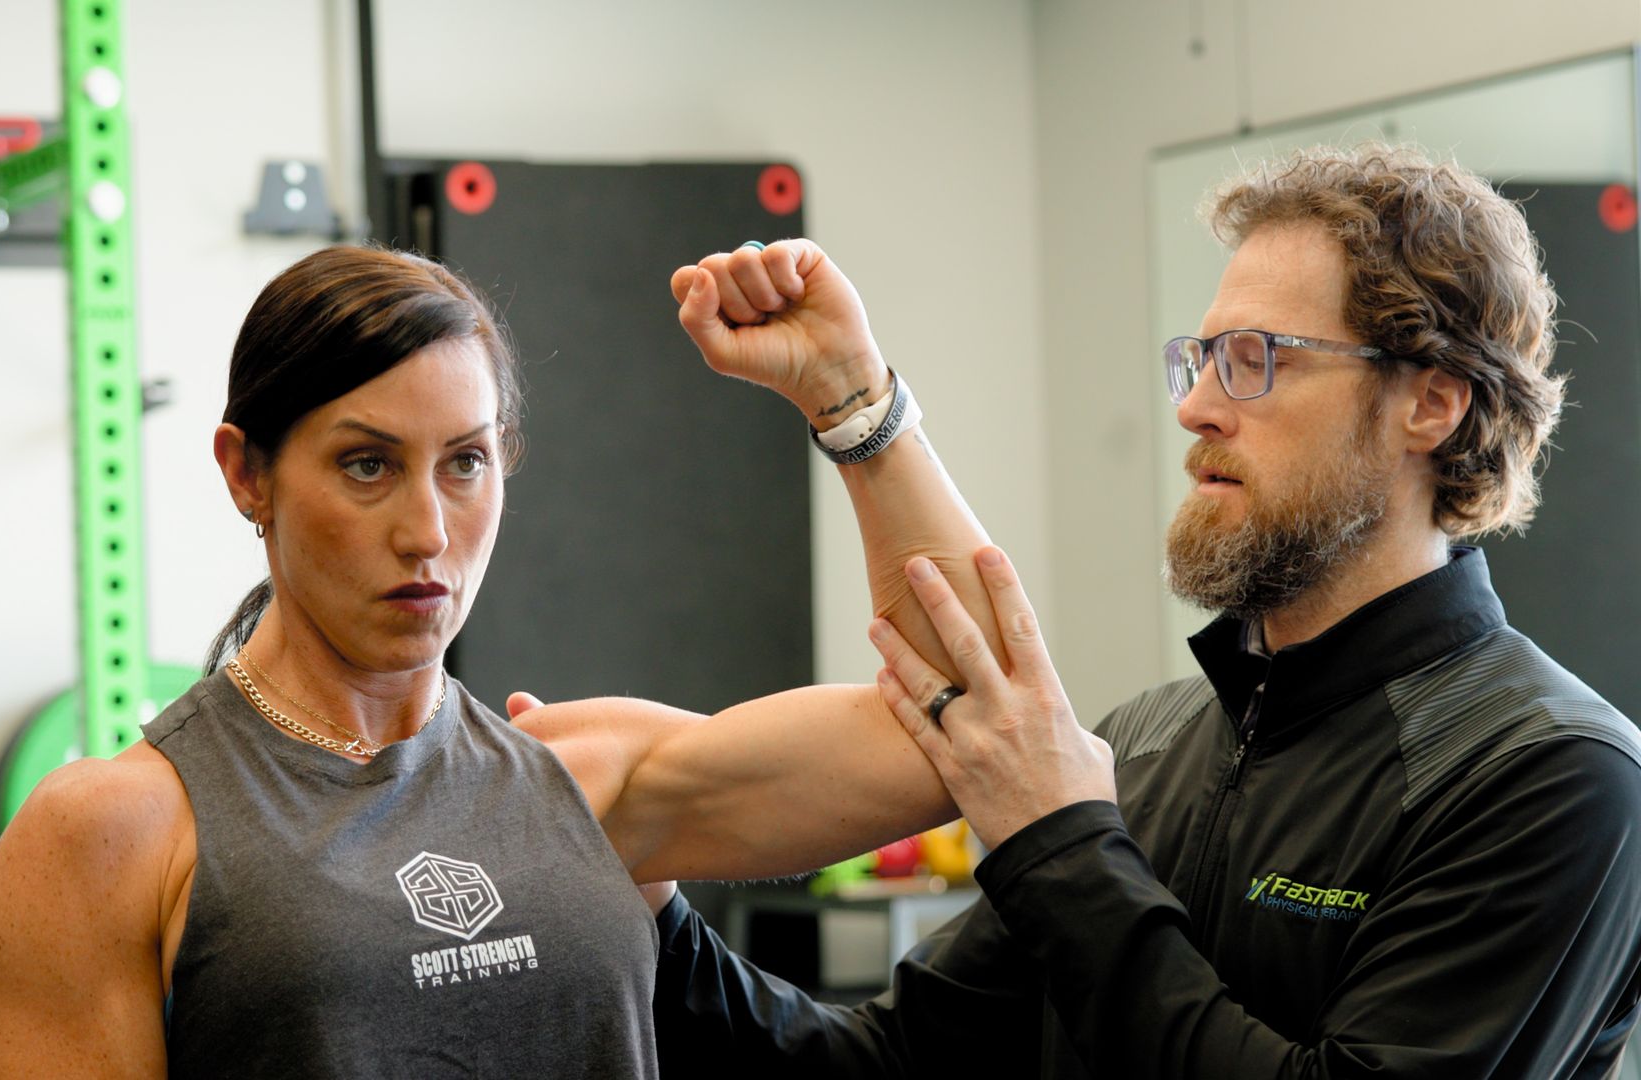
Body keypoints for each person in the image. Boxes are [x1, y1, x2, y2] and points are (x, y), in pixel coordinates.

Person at [651, 144, 1641, 1078]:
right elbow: (884, 1065)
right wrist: (640, 906)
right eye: (1201, 358)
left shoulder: (1555, 778)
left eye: (1256, 358)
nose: (1196, 406)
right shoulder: (1148, 745)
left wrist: (1058, 841)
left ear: (1431, 403)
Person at [0, 240, 998, 1077]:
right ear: (248, 475)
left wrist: (854, 398)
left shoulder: (586, 781)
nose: (427, 531)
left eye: (465, 462)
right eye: (366, 465)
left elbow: (979, 716)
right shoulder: (114, 833)